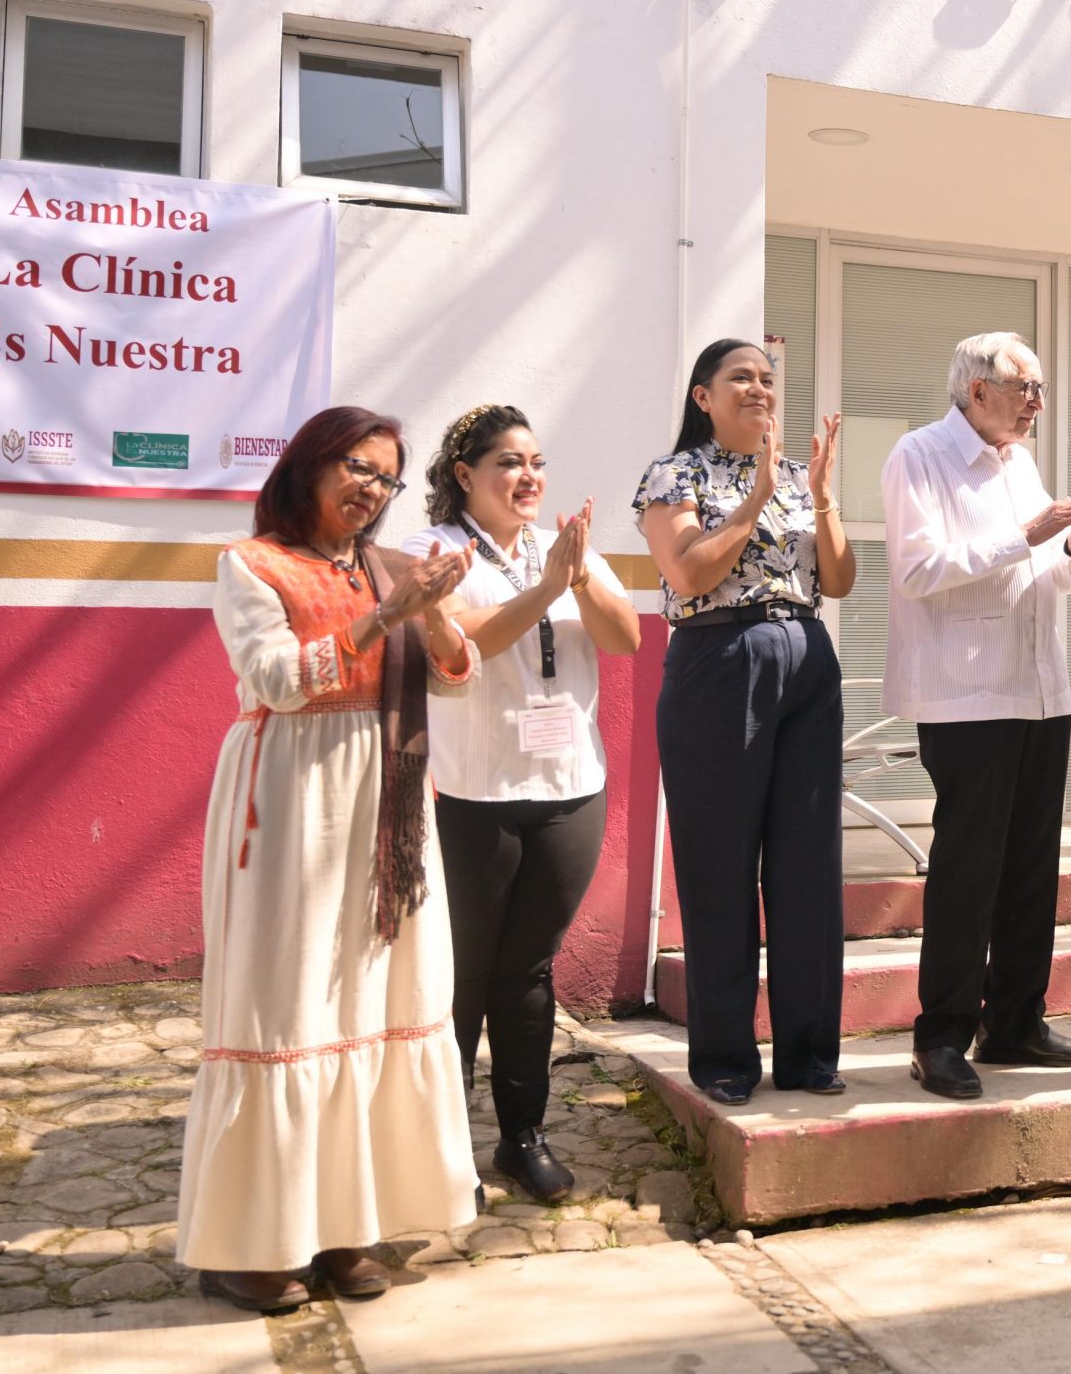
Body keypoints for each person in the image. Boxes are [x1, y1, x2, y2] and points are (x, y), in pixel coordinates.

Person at [178, 407, 482, 1312]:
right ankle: (253, 1242)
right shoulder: (251, 563)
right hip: (294, 801)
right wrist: (384, 615)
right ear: (311, 464)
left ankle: (347, 1223)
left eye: (388, 478)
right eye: (358, 466)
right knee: (288, 1004)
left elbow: (457, 676)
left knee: (376, 998)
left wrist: (432, 614)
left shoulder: (390, 569)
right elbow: (274, 678)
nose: (373, 489)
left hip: (387, 796)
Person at [405, 405, 640, 1201]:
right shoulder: (434, 551)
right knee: (464, 973)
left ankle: (522, 1136)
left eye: (536, 461)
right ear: (465, 476)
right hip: (477, 791)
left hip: (571, 786)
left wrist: (574, 578)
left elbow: (624, 639)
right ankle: (440, 1156)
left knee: (529, 969)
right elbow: (466, 639)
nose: (529, 476)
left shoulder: (563, 547)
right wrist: (546, 589)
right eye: (509, 462)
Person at [882, 333, 1071, 1100]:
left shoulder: (1020, 462)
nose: (1038, 403)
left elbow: (1052, 580)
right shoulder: (919, 455)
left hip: (1041, 687)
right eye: (1027, 388)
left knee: (1029, 869)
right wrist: (1025, 536)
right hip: (966, 694)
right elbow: (919, 571)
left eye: (1041, 389)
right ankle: (941, 1035)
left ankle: (1015, 1022)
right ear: (977, 389)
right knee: (968, 870)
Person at [635, 339, 855, 1104]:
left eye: (767, 379)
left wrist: (820, 496)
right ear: (704, 396)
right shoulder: (676, 474)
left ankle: (808, 1054)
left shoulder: (797, 475)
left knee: (806, 864)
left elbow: (839, 579)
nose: (760, 388)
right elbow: (690, 571)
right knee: (720, 865)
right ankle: (726, 1057)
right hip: (718, 660)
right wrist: (757, 498)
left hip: (805, 655)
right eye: (741, 378)